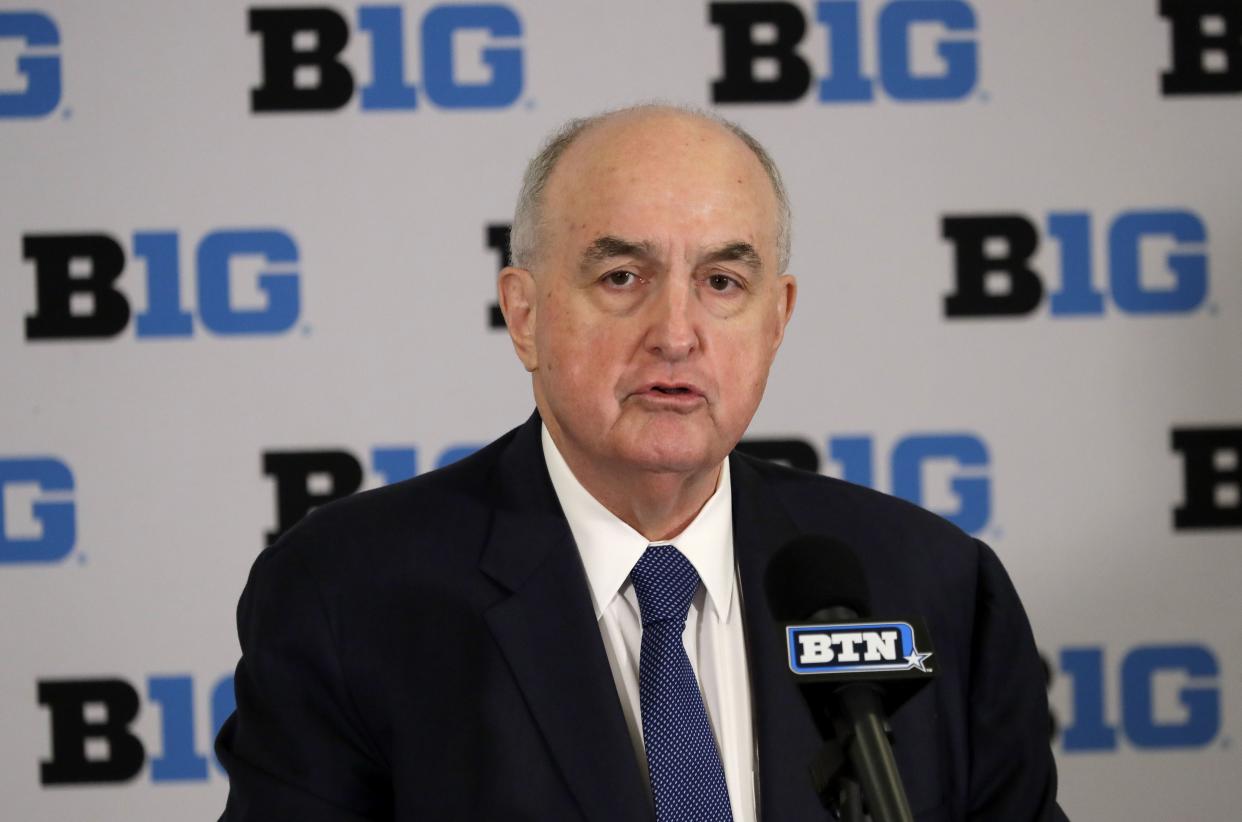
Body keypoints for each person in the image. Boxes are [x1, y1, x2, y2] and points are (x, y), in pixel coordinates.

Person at [216, 104, 1068, 821]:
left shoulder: (935, 588)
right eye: (623, 276)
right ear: (525, 314)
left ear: (778, 319)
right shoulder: (349, 596)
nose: (676, 332)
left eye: (724, 284)